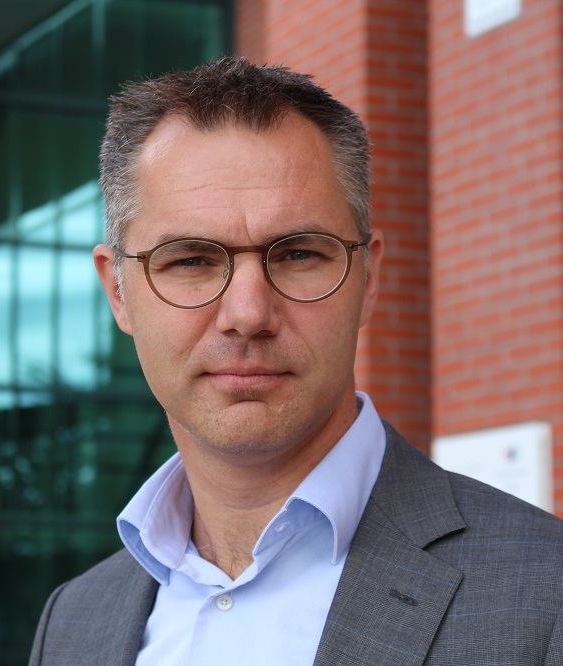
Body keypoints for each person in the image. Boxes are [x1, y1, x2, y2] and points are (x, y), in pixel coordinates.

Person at [29, 56, 563, 665]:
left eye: (298, 255)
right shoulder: (74, 620)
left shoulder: (545, 597)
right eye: (191, 260)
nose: (248, 313)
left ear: (368, 277)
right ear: (118, 291)